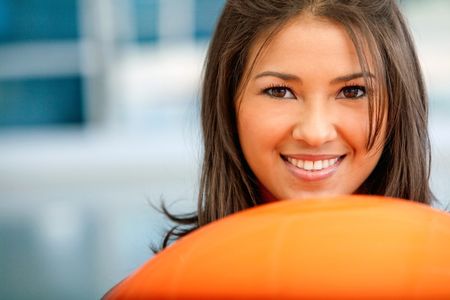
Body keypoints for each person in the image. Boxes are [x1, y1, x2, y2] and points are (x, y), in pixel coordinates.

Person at [158, 0, 433, 250]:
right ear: (229, 100)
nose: (315, 133)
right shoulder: (168, 285)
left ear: (398, 104)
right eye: (279, 92)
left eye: (352, 92)